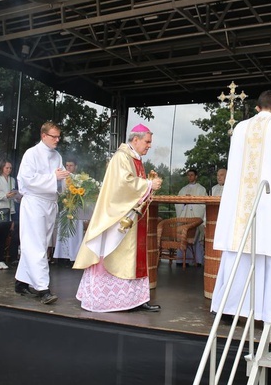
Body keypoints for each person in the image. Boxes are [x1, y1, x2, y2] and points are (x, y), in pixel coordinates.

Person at [210, 90, 271, 330]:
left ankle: (226, 309)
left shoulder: (240, 128)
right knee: (270, 255)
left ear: (256, 108)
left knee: (237, 255)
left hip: (239, 204)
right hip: (268, 200)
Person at [74, 124, 163, 312]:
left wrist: (148, 187)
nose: (149, 146)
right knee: (117, 254)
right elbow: (122, 185)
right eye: (147, 142)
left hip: (132, 218)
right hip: (118, 220)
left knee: (132, 257)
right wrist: (148, 184)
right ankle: (107, 300)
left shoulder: (135, 158)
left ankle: (135, 299)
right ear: (136, 139)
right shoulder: (121, 157)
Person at [14, 122, 70, 305]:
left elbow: (60, 180)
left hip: (50, 203)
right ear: (43, 136)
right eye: (54, 136)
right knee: (36, 245)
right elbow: (26, 181)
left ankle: (21, 282)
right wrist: (53, 178)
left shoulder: (57, 156)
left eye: (58, 136)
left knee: (40, 243)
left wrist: (66, 181)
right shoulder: (31, 154)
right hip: (35, 203)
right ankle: (42, 289)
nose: (57, 140)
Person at [0, 159, 20, 270]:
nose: (9, 170)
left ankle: (0, 259)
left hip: (9, 210)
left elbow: (13, 196)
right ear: (2, 167)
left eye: (10, 168)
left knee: (4, 236)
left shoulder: (12, 180)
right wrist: (5, 196)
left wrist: (16, 197)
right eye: (7, 167)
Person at [54, 158, 85, 264]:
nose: (68, 168)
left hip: (76, 209)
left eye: (71, 166)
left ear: (75, 167)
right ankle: (61, 257)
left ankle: (74, 257)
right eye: (66, 166)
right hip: (65, 207)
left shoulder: (79, 178)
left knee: (75, 233)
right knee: (63, 232)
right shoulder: (61, 178)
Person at [175, 169, 207, 265]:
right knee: (183, 237)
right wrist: (185, 202)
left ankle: (197, 261)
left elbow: (203, 205)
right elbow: (177, 203)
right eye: (188, 175)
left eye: (192, 175)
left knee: (195, 236)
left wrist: (191, 202)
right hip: (184, 215)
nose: (190, 177)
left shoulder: (201, 189)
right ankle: (181, 260)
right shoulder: (183, 190)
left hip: (195, 217)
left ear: (196, 176)